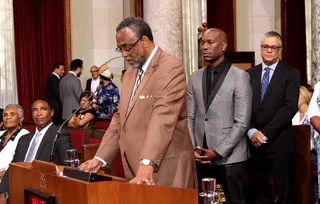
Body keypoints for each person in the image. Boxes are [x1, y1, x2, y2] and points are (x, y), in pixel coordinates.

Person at [79, 16, 197, 189]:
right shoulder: (129, 75)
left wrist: (147, 162)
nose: (125, 54)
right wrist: (100, 159)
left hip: (163, 168)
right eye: (120, 49)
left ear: (144, 40)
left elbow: (162, 118)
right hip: (134, 169)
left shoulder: (170, 67)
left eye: (127, 47)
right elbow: (120, 119)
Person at [187, 28, 252, 204]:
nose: (205, 47)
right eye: (203, 43)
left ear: (223, 45)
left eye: (210, 42)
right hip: (201, 156)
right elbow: (190, 117)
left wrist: (217, 153)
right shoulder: (194, 77)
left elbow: (242, 122)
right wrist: (194, 148)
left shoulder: (240, 77)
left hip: (230, 157)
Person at [246, 31, 300, 204]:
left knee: (284, 193)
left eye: (273, 47)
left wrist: (264, 134)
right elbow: (242, 107)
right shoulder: (248, 74)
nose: (269, 50)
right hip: (252, 143)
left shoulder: (291, 73)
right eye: (265, 46)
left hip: (279, 143)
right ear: (261, 49)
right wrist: (252, 131)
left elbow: (289, 107)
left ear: (280, 50)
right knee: (256, 193)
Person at [0, 97, 74, 203]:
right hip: (18, 188)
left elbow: (70, 165)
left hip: (41, 192)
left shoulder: (60, 135)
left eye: (43, 109)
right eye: (35, 110)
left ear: (51, 113)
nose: (38, 113)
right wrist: (2, 192)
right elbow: (12, 167)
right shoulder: (24, 139)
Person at [292, 86, 319, 203]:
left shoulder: (313, 114)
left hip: (311, 153)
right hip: (297, 153)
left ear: (305, 96)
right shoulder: (294, 116)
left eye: (298, 94)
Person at [0, 104, 29, 179]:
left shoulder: (25, 136)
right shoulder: (1, 134)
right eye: (5, 115)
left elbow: (20, 164)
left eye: (12, 114)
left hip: (8, 178)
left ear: (21, 118)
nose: (8, 117)